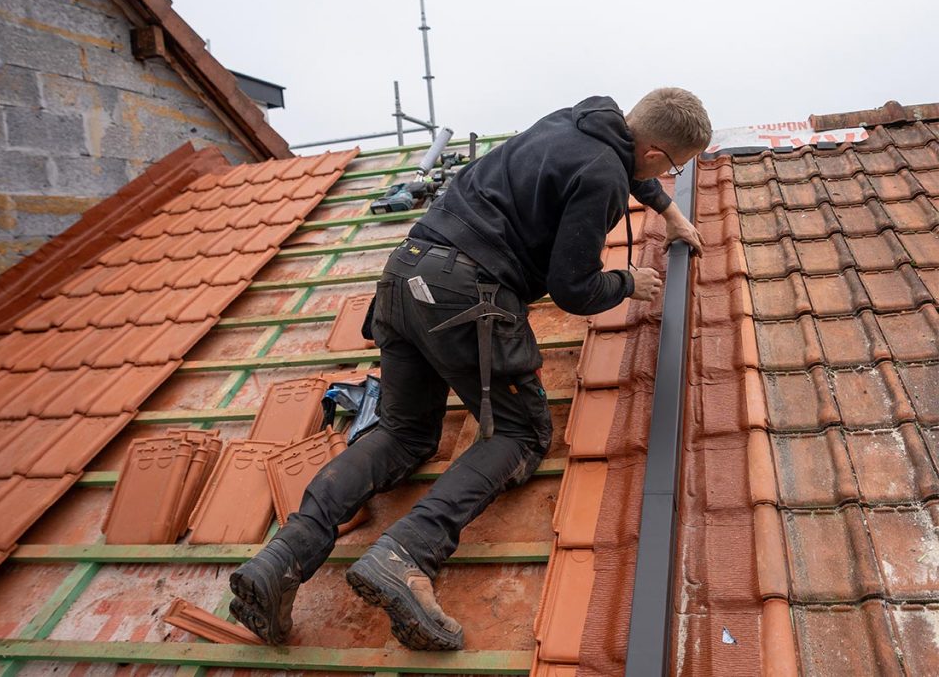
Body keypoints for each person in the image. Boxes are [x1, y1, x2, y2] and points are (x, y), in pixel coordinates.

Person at [228, 87, 712, 651]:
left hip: (403, 273)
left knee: (404, 432)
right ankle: (406, 554)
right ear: (655, 152)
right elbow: (573, 288)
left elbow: (628, 164)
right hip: (465, 292)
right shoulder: (606, 174)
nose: (666, 172)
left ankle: (281, 558)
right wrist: (629, 283)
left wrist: (668, 209)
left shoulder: (581, 120)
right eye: (673, 165)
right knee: (521, 434)